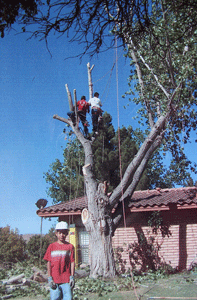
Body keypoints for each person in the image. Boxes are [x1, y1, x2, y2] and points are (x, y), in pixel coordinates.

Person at [44, 221, 75, 300]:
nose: (62, 235)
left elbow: (72, 262)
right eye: (60, 233)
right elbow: (49, 262)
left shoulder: (70, 247)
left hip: (66, 280)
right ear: (56, 233)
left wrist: (72, 277)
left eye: (64, 233)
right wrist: (49, 278)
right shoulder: (51, 247)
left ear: (67, 234)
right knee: (55, 298)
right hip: (54, 279)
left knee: (68, 298)